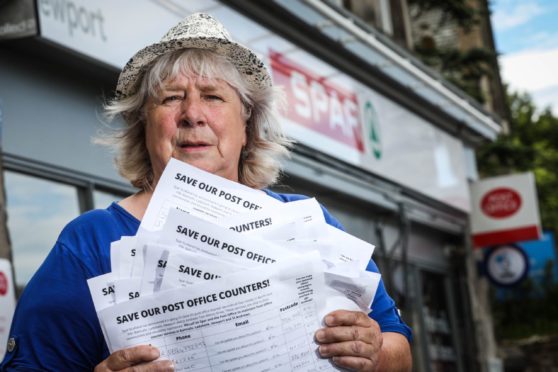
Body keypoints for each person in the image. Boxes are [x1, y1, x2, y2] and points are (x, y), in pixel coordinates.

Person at [0, 13, 412, 371]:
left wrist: (374, 352)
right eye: (171, 99)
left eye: (213, 97)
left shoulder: (308, 223)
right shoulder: (90, 242)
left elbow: (399, 346)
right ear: (143, 126)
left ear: (247, 125)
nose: (192, 115)